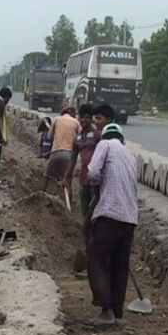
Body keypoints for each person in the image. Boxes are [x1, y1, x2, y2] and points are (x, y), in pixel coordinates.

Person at [86, 123, 138, 325]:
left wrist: (97, 184)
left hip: (110, 212)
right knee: (120, 264)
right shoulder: (131, 154)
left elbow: (92, 173)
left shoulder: (105, 145)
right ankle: (117, 313)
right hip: (130, 218)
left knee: (97, 257)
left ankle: (105, 310)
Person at [63, 104, 101, 244]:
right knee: (85, 214)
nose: (84, 120)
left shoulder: (97, 136)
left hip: (96, 182)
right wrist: (67, 176)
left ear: (91, 119)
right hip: (83, 180)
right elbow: (73, 158)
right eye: (81, 117)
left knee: (94, 216)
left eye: (87, 117)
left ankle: (96, 243)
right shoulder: (77, 138)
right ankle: (89, 246)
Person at [42, 105, 81, 192]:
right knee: (68, 181)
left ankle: (41, 194)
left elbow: (49, 137)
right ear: (73, 114)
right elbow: (81, 138)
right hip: (69, 155)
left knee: (47, 176)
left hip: (56, 153)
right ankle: (69, 203)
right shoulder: (76, 122)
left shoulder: (56, 119)